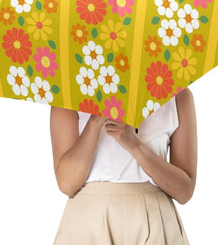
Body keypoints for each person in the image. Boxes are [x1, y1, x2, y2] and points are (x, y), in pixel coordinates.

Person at [50, 87, 197, 244]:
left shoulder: (178, 96)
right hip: (89, 222)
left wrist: (135, 146)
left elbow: (184, 191)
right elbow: (67, 184)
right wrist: (95, 121)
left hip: (154, 221)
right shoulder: (68, 93)